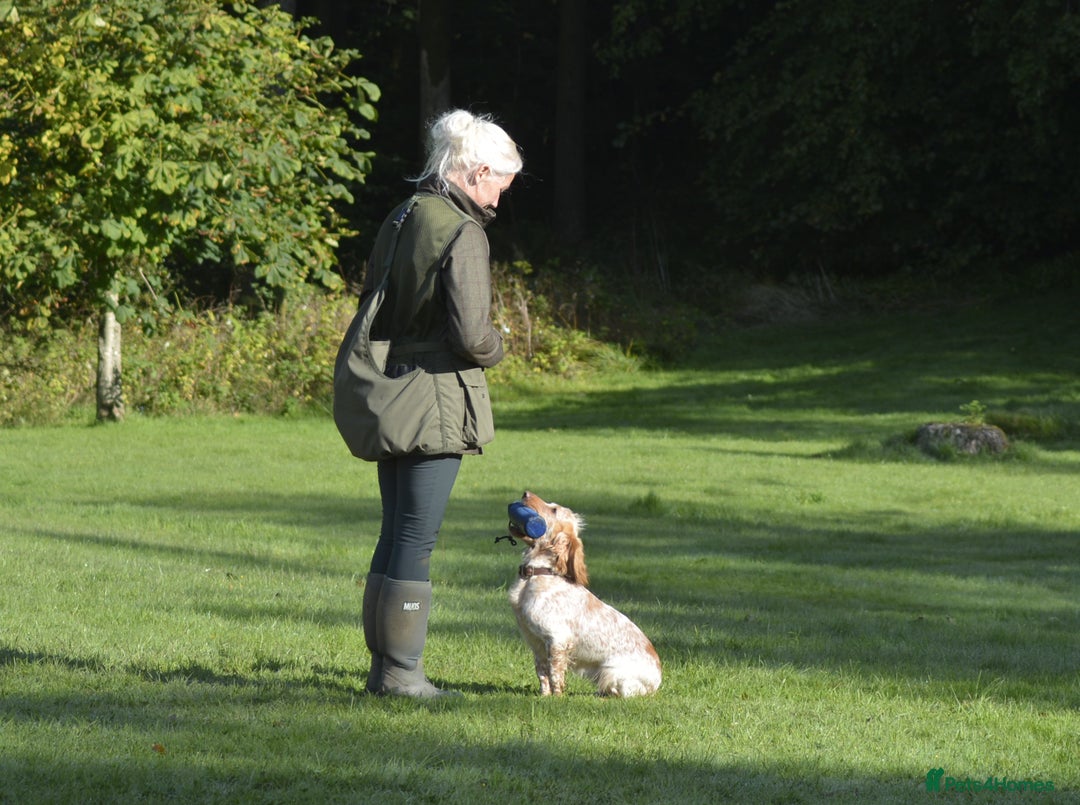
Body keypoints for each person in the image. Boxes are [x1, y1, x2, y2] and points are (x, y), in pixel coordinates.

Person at [359, 109, 522, 698]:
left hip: (392, 384)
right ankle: (403, 675)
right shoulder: (462, 228)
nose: (500, 201)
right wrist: (500, 348)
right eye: (500, 185)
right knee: (417, 536)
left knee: (395, 529)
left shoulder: (402, 215)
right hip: (437, 397)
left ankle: (384, 670)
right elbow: (473, 335)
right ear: (478, 171)